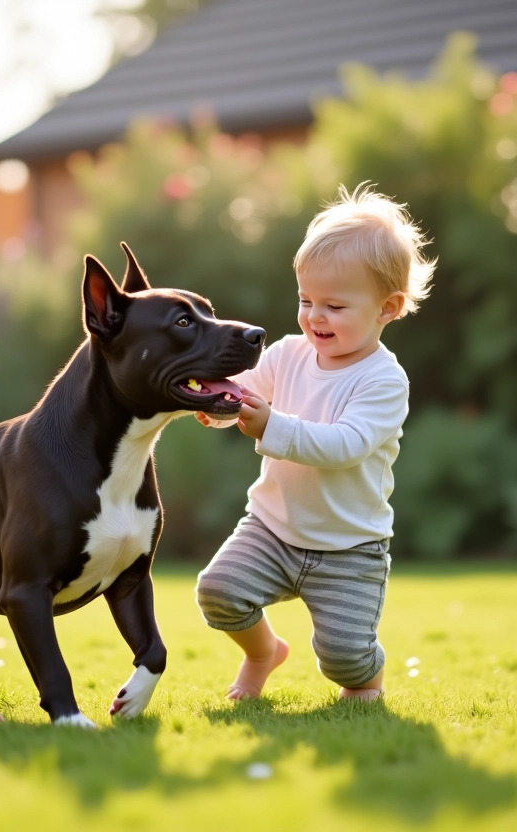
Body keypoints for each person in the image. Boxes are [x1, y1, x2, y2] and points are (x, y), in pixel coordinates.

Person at [194, 183, 434, 701]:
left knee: (344, 655)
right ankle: (264, 653)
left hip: (349, 547)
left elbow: (344, 445)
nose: (314, 316)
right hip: (274, 528)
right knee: (219, 592)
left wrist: (270, 427)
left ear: (387, 308)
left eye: (334, 305)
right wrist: (216, 405)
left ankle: (365, 685)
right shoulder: (288, 353)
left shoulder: (383, 381)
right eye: (306, 300)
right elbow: (247, 394)